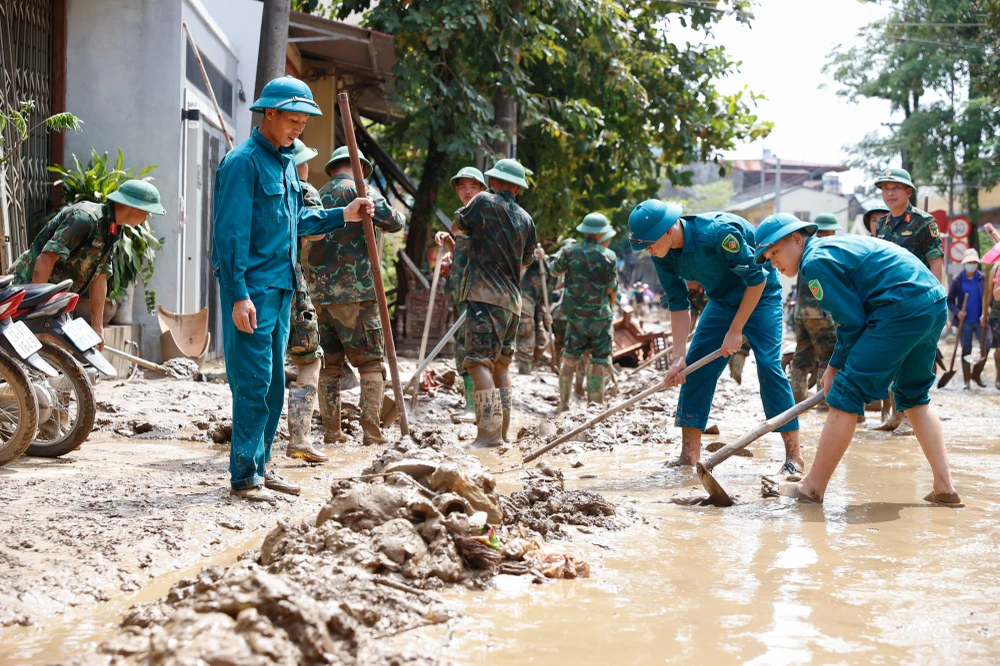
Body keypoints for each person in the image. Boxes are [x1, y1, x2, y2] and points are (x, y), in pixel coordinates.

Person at [213, 76, 374, 503]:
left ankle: (262, 467)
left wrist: (345, 215)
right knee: (253, 380)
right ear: (268, 114)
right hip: (254, 291)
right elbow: (229, 237)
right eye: (292, 120)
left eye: (304, 122)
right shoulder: (242, 163)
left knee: (274, 386)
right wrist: (237, 294)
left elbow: (294, 223)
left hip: (283, 288)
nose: (298, 129)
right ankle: (244, 477)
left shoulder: (284, 162)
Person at [754, 213, 960, 506]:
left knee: (845, 391)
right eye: (767, 257)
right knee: (914, 395)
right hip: (932, 303)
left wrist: (835, 368)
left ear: (797, 239)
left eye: (774, 252)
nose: (773, 262)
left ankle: (812, 487)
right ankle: (945, 487)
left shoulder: (814, 263)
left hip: (900, 308)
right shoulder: (831, 249)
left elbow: (852, 322)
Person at [627, 200, 802, 473]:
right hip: (721, 301)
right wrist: (677, 357)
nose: (649, 251)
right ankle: (689, 456)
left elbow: (757, 280)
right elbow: (678, 303)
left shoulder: (719, 233)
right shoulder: (661, 253)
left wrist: (735, 331)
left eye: (650, 244)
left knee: (769, 366)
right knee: (695, 368)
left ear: (669, 229)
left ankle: (794, 457)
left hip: (761, 296)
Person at [304, 145, 406, 446]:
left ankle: (332, 434)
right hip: (358, 295)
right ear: (360, 166)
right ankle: (372, 433)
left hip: (319, 297)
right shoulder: (364, 193)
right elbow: (396, 221)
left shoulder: (316, 196)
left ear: (333, 167)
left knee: (329, 367)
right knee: (371, 364)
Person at [10, 179, 166, 348]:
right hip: (26, 290)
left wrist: (98, 328)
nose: (146, 218)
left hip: (52, 300)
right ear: (134, 207)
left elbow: (100, 277)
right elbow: (45, 259)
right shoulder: (86, 218)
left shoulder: (112, 229)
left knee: (61, 355)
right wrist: (37, 315)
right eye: (147, 212)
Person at [453, 158, 536, 447]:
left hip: (483, 296)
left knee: (477, 363)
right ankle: (501, 436)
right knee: (501, 365)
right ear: (517, 188)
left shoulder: (482, 202)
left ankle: (488, 436)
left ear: (494, 182)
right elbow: (527, 259)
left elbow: (459, 224)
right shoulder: (526, 219)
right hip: (513, 302)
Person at [872, 167, 944, 433]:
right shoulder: (882, 224)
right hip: (889, 303)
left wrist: (937, 301)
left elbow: (936, 262)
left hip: (919, 302)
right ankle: (895, 415)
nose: (889, 194)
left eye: (895, 188)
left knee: (915, 362)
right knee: (893, 360)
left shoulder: (925, 222)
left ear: (908, 192)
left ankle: (911, 418)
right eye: (885, 189)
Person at [284, 139, 331, 464]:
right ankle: (299, 438)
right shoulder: (304, 190)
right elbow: (316, 233)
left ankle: (251, 439)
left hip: (254, 284)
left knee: (264, 363)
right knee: (309, 359)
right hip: (290, 279)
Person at [549, 213, 618, 410]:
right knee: (599, 358)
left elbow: (554, 270)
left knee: (569, 357)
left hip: (575, 317)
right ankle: (594, 404)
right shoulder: (609, 256)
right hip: (600, 316)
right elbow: (610, 289)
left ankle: (563, 404)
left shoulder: (570, 251)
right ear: (601, 233)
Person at [435, 166, 488, 423]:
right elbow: (463, 254)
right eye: (463, 186)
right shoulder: (463, 218)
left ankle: (478, 408)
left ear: (482, 190)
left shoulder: (484, 216)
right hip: (460, 292)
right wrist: (448, 246)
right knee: (463, 347)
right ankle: (471, 404)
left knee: (475, 349)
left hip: (478, 295)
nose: (467, 191)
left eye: (473, 186)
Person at [789, 213, 840, 404]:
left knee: (801, 358)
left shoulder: (804, 250)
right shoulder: (827, 251)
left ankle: (796, 399)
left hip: (801, 313)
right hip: (820, 314)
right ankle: (823, 401)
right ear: (833, 231)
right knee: (828, 356)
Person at [947, 248, 989, 389]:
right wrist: (957, 312)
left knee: (986, 346)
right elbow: (950, 300)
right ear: (964, 263)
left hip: (980, 320)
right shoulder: (957, 280)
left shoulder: (982, 278)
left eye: (974, 262)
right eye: (969, 262)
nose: (972, 264)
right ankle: (967, 381)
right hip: (964, 321)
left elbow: (987, 298)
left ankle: (976, 374)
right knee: (966, 349)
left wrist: (985, 313)